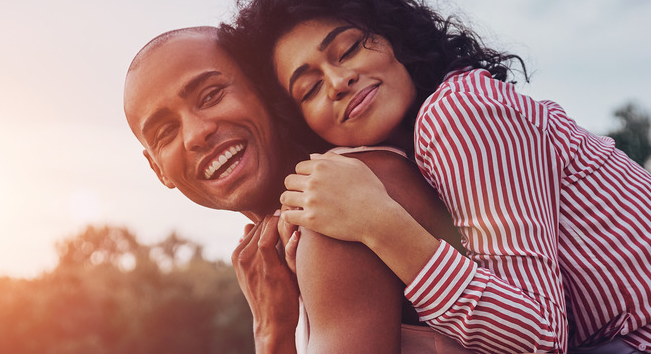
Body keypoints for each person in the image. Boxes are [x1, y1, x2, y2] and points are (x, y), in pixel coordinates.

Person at [219, 0, 651, 353]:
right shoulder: (411, 156)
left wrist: (379, 223)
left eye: (349, 49)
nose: (340, 81)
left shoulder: (458, 112)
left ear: (391, 38)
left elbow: (542, 337)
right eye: (310, 88)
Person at [122, 26, 470, 353]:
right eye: (165, 132)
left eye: (211, 95)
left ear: (268, 88)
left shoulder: (338, 208)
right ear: (158, 170)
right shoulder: (295, 233)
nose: (196, 134)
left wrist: (272, 337)